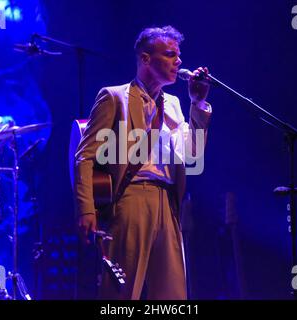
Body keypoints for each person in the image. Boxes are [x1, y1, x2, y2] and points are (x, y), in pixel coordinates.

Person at [74, 25, 212, 300]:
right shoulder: (115, 97)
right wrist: (86, 208)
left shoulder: (172, 104)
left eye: (178, 55)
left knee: (172, 294)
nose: (179, 61)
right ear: (146, 59)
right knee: (122, 292)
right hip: (131, 197)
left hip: (168, 200)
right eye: (170, 54)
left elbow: (192, 154)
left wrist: (197, 105)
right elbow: (85, 155)